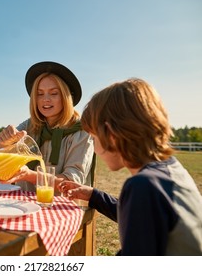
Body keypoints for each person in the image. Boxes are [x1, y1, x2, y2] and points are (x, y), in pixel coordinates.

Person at [58, 78, 202, 255]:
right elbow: (145, 221)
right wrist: (93, 196)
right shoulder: (169, 168)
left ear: (111, 134)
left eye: (94, 138)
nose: (94, 148)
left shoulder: (143, 186)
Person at [0, 61, 95, 192]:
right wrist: (2, 142)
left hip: (59, 208)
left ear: (65, 97)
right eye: (40, 94)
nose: (45, 99)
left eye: (53, 93)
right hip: (23, 202)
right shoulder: (29, 125)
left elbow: (72, 182)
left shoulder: (82, 132)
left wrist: (30, 176)